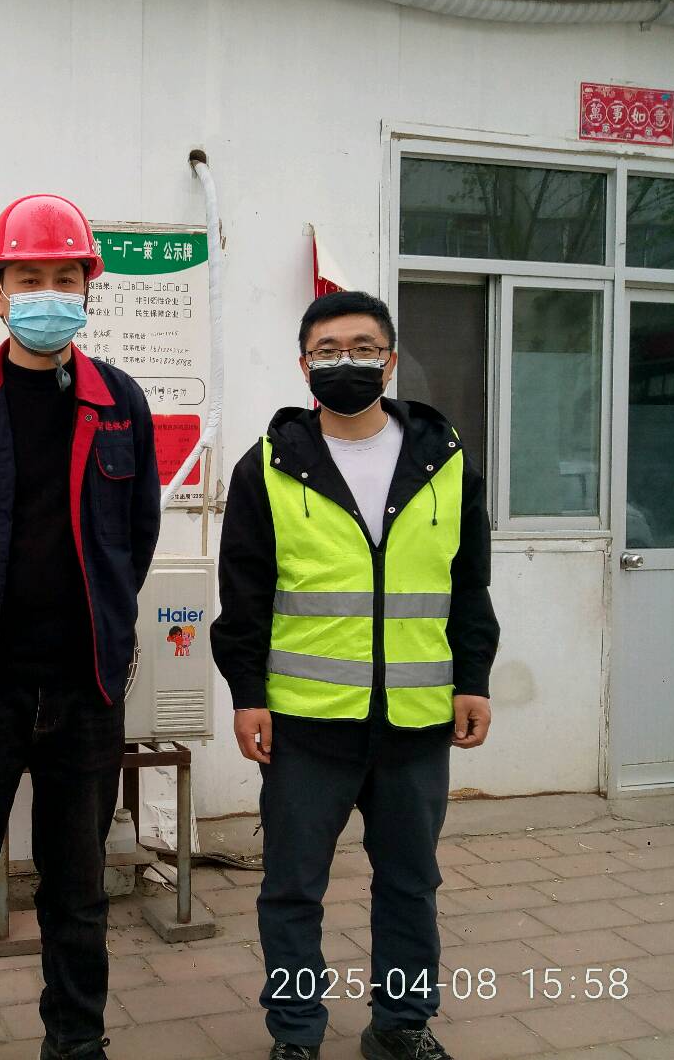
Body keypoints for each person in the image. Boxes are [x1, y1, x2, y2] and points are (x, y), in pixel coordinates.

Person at [0, 193, 161, 1060]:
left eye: (65, 277)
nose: (48, 292)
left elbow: (137, 537)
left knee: (78, 896)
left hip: (85, 693)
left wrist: (98, 623)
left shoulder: (120, 403)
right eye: (29, 277)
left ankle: (76, 1046)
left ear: (89, 287)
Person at [210, 291, 498, 1060]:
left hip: (417, 720)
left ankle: (400, 1025)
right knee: (292, 889)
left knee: (410, 883)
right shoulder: (269, 467)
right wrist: (247, 696)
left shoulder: (444, 463)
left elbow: (468, 585)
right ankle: (296, 1033)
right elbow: (244, 595)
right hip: (306, 722)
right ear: (304, 366)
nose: (347, 361)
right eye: (328, 350)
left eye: (364, 348)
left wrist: (473, 678)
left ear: (390, 360)